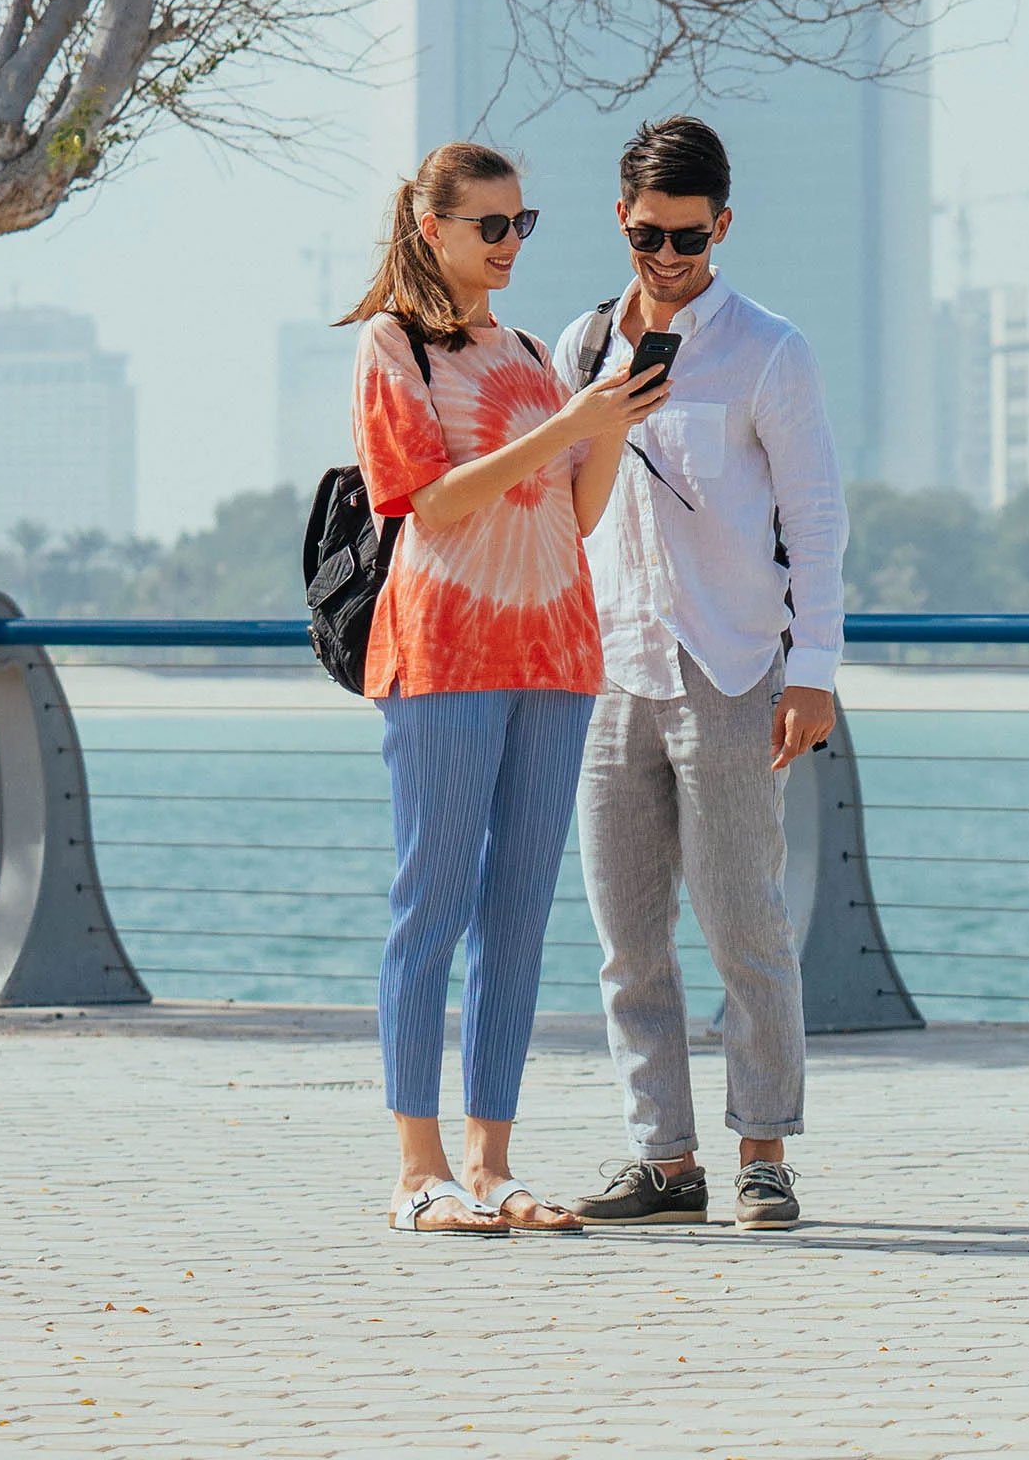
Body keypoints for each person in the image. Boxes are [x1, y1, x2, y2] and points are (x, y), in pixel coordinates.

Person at [344, 141, 670, 1235]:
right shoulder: (395, 347)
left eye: (522, 223)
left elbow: (575, 514)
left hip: (558, 648)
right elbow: (425, 504)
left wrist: (611, 420)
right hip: (444, 647)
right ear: (431, 227)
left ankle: (492, 1163)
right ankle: (415, 1169)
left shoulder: (534, 349)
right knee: (429, 902)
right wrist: (571, 423)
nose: (509, 242)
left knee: (521, 912)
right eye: (491, 224)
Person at [557, 115, 848, 1232]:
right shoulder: (580, 346)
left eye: (687, 235)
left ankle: (762, 1152)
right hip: (607, 668)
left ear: (723, 225)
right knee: (627, 938)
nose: (667, 257)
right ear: (621, 224)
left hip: (731, 665)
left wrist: (810, 670)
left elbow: (816, 520)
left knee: (743, 923)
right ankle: (661, 1156)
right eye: (646, 236)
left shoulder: (770, 349)